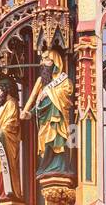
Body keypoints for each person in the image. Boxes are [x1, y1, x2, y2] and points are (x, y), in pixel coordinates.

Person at [20, 47, 73, 175]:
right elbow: (34, 99)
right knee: (45, 140)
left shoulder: (64, 80)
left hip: (58, 118)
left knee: (58, 140)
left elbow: (67, 93)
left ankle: (61, 167)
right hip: (44, 119)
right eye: (42, 60)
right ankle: (46, 166)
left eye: (47, 60)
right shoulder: (40, 81)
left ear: (55, 62)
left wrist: (48, 91)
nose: (42, 63)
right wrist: (28, 113)